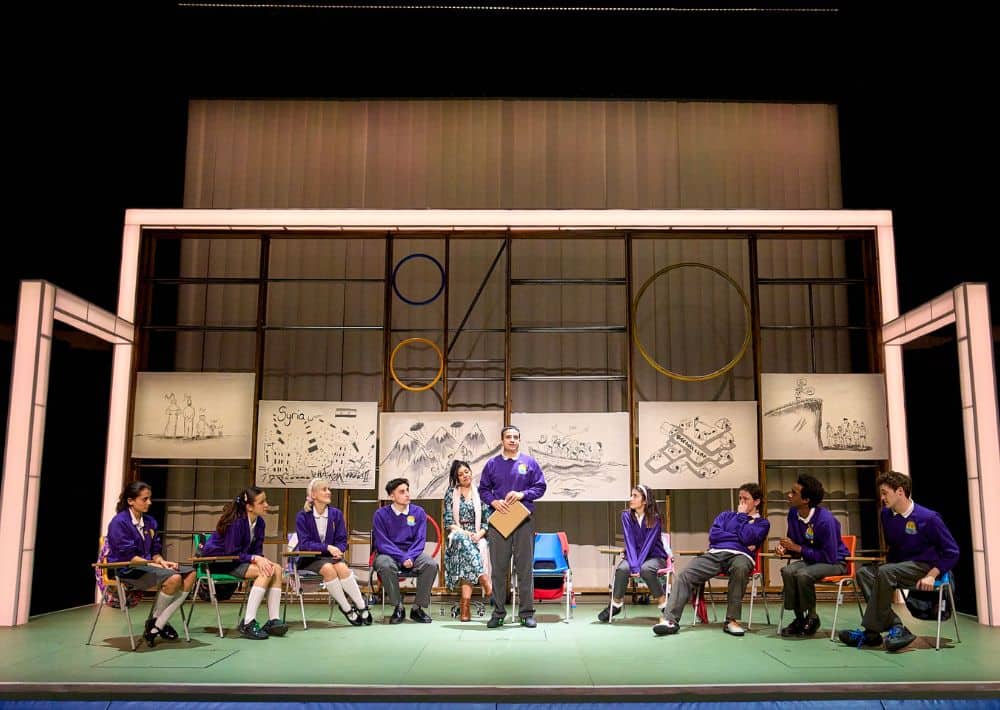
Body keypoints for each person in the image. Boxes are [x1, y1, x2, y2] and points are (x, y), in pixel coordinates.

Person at [838, 470, 960, 652]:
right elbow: (894, 548)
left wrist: (932, 575)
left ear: (900, 491)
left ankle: (871, 632)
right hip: (899, 568)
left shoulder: (929, 518)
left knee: (886, 572)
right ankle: (897, 627)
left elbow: (952, 551)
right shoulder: (886, 515)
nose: (882, 498)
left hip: (924, 568)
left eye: (885, 493)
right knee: (864, 573)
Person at [653, 482, 770, 637]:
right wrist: (740, 539)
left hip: (742, 557)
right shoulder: (726, 516)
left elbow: (749, 536)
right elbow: (714, 536)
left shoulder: (762, 523)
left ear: (756, 502)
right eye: (739, 498)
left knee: (740, 569)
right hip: (716, 553)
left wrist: (741, 519)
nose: (741, 503)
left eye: (745, 499)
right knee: (685, 574)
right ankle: (670, 620)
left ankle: (731, 620)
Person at [106, 481, 196, 647]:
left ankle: (156, 623)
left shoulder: (150, 522)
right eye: (144, 499)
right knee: (174, 578)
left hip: (147, 566)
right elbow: (130, 557)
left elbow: (154, 551)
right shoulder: (119, 523)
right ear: (131, 501)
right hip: (126, 569)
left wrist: (162, 561)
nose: (149, 502)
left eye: (149, 498)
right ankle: (157, 624)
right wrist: (157, 566)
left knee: (191, 572)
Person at [478, 424, 547, 629]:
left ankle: (527, 613)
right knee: (498, 570)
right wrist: (493, 502)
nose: (512, 440)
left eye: (516, 437)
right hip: (499, 521)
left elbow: (540, 487)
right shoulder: (492, 464)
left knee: (525, 569)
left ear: (519, 440)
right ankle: (498, 612)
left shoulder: (529, 462)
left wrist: (522, 494)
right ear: (502, 440)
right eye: (508, 437)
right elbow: (483, 489)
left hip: (523, 521)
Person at [201, 486, 288, 640]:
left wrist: (260, 559)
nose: (266, 505)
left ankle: (273, 620)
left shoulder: (259, 523)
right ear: (249, 507)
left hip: (237, 560)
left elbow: (256, 551)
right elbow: (231, 552)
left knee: (277, 568)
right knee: (265, 571)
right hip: (219, 561)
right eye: (262, 502)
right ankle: (248, 622)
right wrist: (255, 559)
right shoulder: (236, 522)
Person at [776, 474, 849, 637]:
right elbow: (794, 542)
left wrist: (798, 548)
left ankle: (812, 617)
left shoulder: (825, 520)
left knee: (803, 574)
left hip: (835, 563)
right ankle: (799, 619)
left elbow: (829, 556)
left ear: (806, 499)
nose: (789, 495)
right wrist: (785, 548)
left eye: (793, 493)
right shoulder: (793, 513)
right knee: (787, 571)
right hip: (811, 559)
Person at [294, 477, 372, 626]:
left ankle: (361, 605)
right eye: (324, 489)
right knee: (329, 569)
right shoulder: (302, 516)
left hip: (331, 557)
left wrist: (339, 550)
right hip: (310, 559)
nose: (328, 492)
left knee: (342, 567)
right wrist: (327, 547)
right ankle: (346, 608)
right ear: (313, 494)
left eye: (328, 489)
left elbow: (342, 540)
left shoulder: (336, 514)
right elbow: (304, 544)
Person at [598, 484, 669, 622]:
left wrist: (637, 566)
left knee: (646, 569)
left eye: (635, 496)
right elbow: (629, 541)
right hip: (633, 556)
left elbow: (649, 544)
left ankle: (664, 604)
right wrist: (634, 564)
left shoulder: (655, 518)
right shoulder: (626, 516)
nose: (631, 498)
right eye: (631, 495)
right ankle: (616, 603)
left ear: (645, 500)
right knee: (622, 569)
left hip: (655, 556)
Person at [372, 478, 438, 624]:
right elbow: (382, 543)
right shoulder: (380, 515)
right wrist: (402, 557)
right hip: (388, 554)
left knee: (430, 565)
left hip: (413, 554)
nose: (407, 494)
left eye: (407, 490)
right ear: (391, 496)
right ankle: (398, 607)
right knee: (385, 565)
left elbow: (420, 540)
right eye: (402, 492)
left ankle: (417, 608)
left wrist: (410, 556)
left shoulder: (418, 512)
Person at [443, 460, 494, 622]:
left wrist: (479, 534)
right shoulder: (451, 493)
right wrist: (465, 532)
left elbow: (487, 520)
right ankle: (484, 579)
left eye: (467, 472)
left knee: (468, 558)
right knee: (462, 540)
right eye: (460, 474)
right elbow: (448, 521)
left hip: (477, 534)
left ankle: (465, 606)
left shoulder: (480, 493)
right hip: (457, 533)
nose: (465, 475)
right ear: (456, 478)